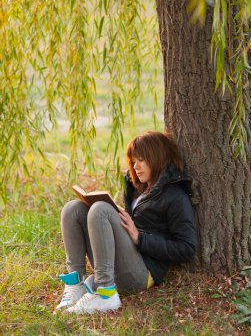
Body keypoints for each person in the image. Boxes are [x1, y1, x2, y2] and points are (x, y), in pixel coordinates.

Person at [55, 131, 197, 314]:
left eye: (141, 160)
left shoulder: (175, 196)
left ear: (157, 157)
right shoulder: (137, 187)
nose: (135, 166)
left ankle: (105, 294)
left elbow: (187, 249)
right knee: (72, 208)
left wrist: (139, 238)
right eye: (133, 161)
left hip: (142, 273)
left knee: (100, 210)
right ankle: (76, 285)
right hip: (120, 262)